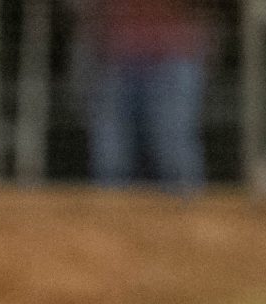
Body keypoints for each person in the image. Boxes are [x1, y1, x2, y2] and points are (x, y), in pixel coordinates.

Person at [80, 0, 211, 192]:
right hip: (116, 57)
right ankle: (110, 216)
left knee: (174, 156)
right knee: (111, 161)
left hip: (172, 56)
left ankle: (191, 217)